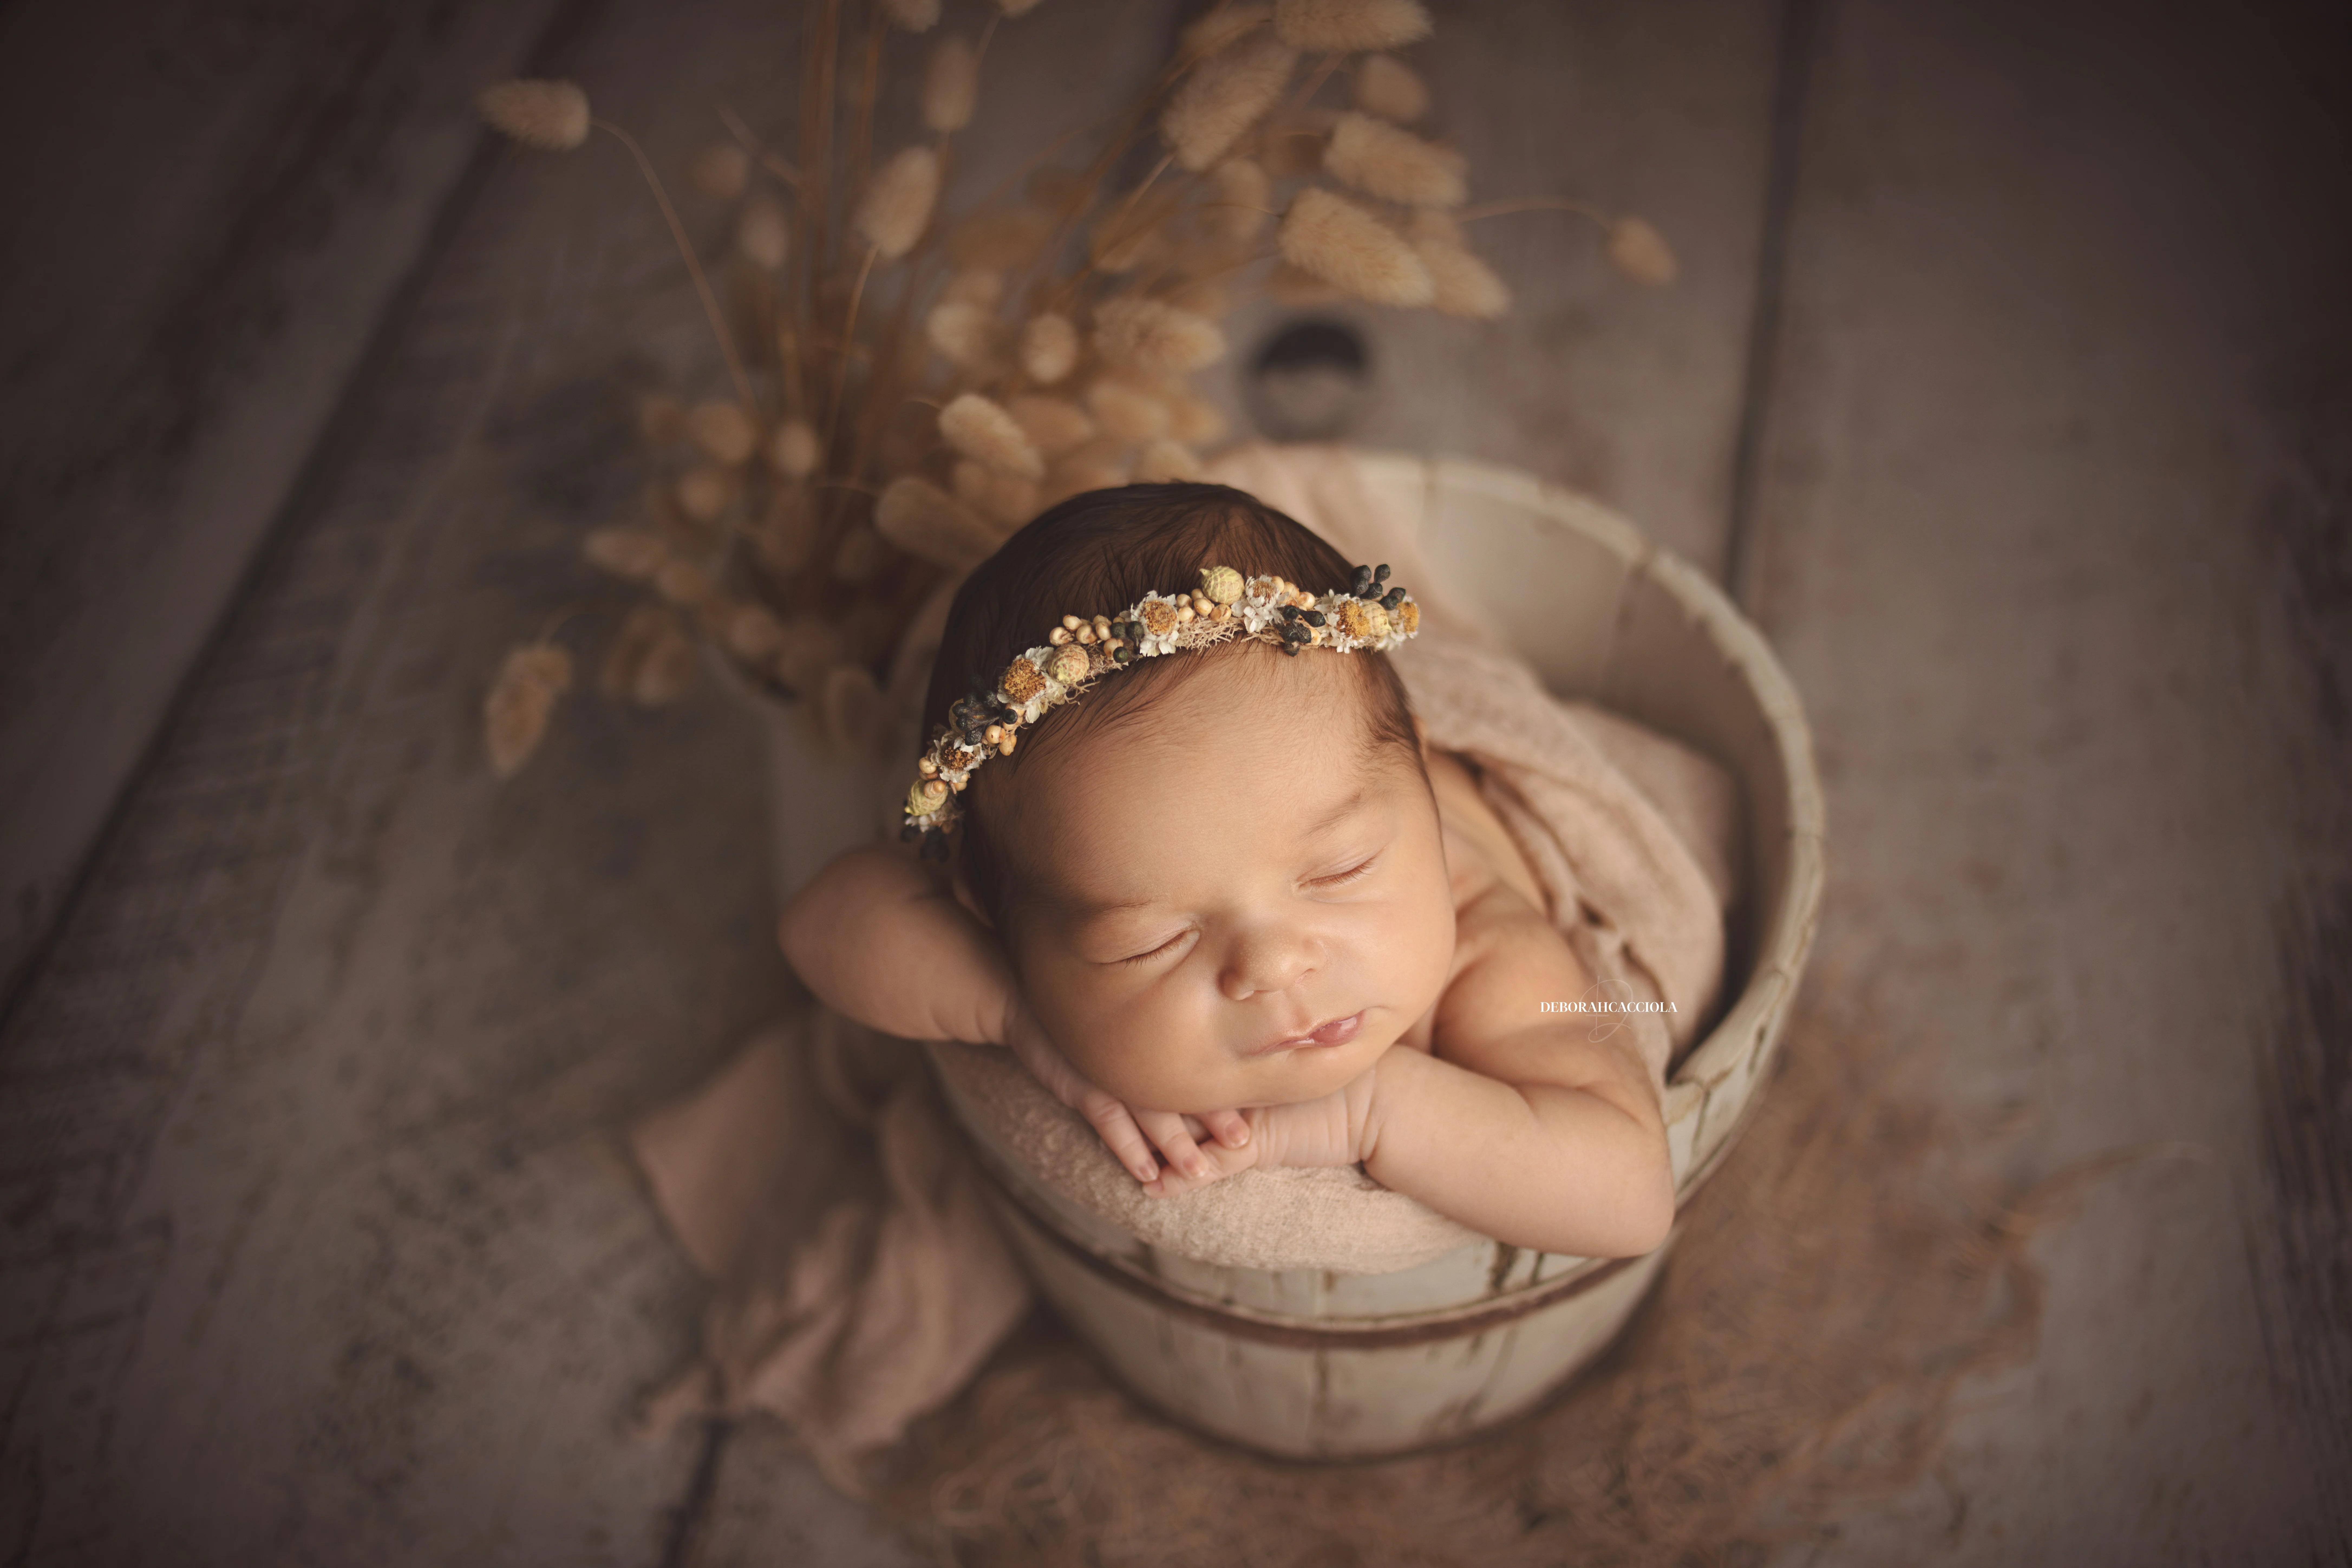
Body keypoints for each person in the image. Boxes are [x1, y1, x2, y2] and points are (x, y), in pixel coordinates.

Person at [779, 483, 1676, 1260]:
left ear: (1426, 800)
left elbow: (1631, 1191)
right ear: (992, 918)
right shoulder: (1048, 886)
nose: (1275, 966)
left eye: (1342, 870)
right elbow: (821, 925)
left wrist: (1369, 1113)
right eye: (1151, 943)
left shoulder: (1483, 954)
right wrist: (1020, 1016)